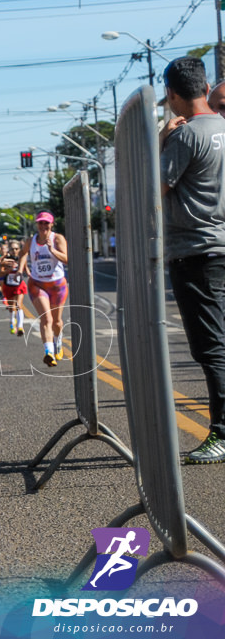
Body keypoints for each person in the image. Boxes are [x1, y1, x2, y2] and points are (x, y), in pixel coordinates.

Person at [160, 55, 225, 464]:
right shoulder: (222, 127)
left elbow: (153, 189)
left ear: (171, 94)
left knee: (212, 348)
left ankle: (220, 433)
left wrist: (160, 141)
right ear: (204, 86)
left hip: (197, 253)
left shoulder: (185, 136)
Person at [19, 210, 67, 367]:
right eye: (40, 222)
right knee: (46, 319)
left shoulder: (57, 238)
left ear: (52, 224)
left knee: (57, 322)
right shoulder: (30, 241)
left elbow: (67, 259)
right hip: (38, 284)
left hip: (57, 285)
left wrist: (52, 250)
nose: (43, 226)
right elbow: (22, 253)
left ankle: (58, 341)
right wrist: (22, 269)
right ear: (37, 224)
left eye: (46, 223)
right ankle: (49, 353)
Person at [0, 239, 27, 336]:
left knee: (19, 305)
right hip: (8, 285)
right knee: (12, 307)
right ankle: (12, 322)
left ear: (19, 249)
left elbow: (27, 271)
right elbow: (0, 273)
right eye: (12, 249)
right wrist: (8, 270)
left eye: (16, 248)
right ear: (9, 250)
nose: (14, 251)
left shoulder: (21, 258)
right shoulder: (6, 260)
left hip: (19, 285)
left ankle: (20, 327)